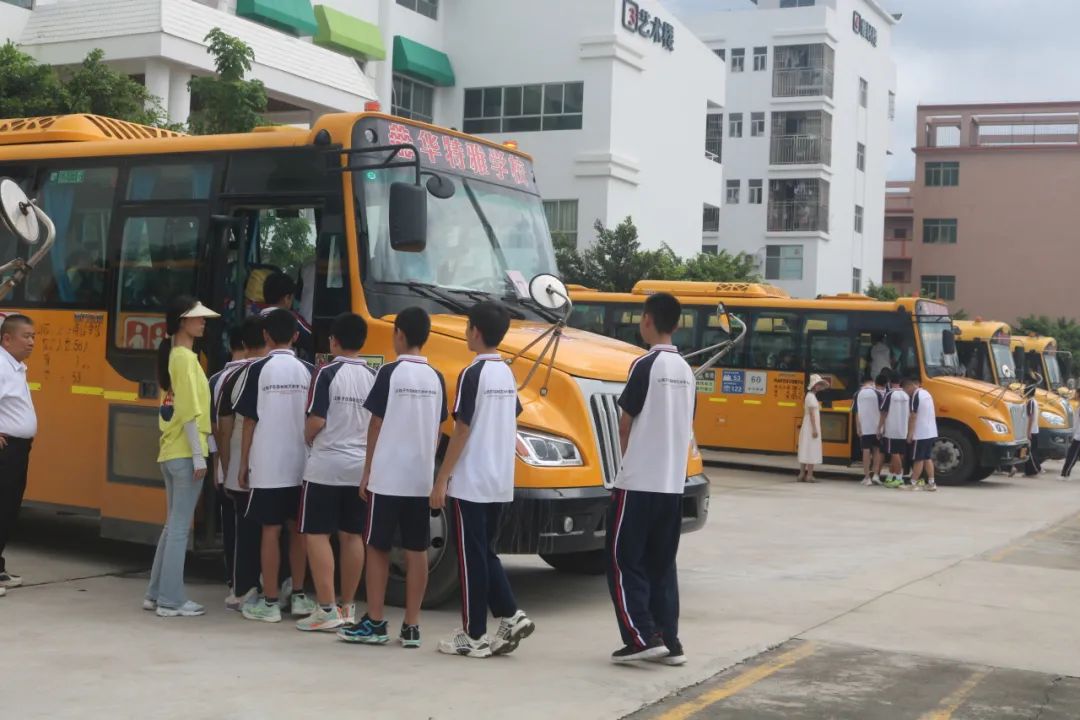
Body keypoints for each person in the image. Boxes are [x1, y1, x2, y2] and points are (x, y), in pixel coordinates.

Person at [338, 307, 447, 648]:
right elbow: (439, 427)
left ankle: (375, 622)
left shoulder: (389, 373)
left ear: (399, 333)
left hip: (387, 478)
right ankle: (412, 626)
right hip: (419, 479)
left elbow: (375, 423)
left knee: (378, 548)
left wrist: (367, 471)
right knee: (417, 551)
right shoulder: (437, 378)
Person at [432, 302, 535, 659]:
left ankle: (473, 634)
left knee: (470, 558)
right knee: (484, 552)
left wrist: (442, 478)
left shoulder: (471, 374)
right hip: (499, 479)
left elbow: (462, 429)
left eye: (467, 327)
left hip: (471, 479)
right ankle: (510, 614)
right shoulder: (506, 373)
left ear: (475, 331)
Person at [605, 292, 695, 666]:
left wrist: (628, 463)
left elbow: (625, 423)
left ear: (646, 320)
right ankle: (668, 639)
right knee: (662, 564)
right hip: (672, 484)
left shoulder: (645, 365)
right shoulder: (687, 372)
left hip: (639, 481)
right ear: (675, 326)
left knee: (622, 559)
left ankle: (641, 636)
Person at [233, 308, 317, 622]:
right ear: (296, 336)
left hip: (268, 463)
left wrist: (243, 463)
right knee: (298, 530)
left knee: (269, 530)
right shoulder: (310, 370)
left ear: (266, 336)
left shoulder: (256, 370)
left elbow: (250, 422)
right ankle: (296, 595)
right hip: (301, 464)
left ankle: (269, 602)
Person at [296, 313, 377, 632]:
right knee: (352, 535)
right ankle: (347, 606)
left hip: (326, 465)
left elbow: (317, 420)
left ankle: (326, 607)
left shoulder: (326, 373)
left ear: (334, 341)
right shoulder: (373, 376)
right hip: (360, 467)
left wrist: (305, 435)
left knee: (316, 533)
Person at [144, 297, 219, 617]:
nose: (203, 322)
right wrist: (201, 455)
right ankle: (171, 600)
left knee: (171, 526)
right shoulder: (186, 359)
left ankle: (156, 593)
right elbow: (191, 411)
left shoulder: (176, 356)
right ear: (182, 323)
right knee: (178, 529)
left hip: (172, 452)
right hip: (186, 453)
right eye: (197, 318)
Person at [212, 316, 266, 610]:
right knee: (268, 529)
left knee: (239, 527)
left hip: (238, 467)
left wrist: (224, 464)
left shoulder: (228, 378)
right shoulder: (298, 372)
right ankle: (271, 585)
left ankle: (241, 586)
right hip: (274, 468)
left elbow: (221, 425)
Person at [208, 325, 247, 605]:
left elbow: (211, 429)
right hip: (238, 466)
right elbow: (218, 426)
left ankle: (235, 582)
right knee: (240, 526)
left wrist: (216, 466)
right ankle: (239, 584)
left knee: (232, 526)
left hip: (225, 467)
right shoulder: (239, 377)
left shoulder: (215, 379)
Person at [0, 314, 37, 597]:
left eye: (34, 336)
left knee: (9, 508)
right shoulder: (1, 364)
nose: (32, 342)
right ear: (7, 338)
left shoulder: (16, 366)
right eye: (26, 336)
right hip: (6, 448)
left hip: (18, 448)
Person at [260, 271, 313, 360]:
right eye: (291, 298)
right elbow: (311, 340)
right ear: (286, 298)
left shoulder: (255, 320)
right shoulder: (290, 320)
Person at [903, 377, 938, 492]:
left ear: (909, 386)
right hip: (931, 432)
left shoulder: (915, 396)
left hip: (920, 433)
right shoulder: (926, 393)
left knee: (918, 459)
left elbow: (913, 416)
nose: (906, 393)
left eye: (905, 390)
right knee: (927, 458)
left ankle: (913, 483)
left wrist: (910, 434)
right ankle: (932, 483)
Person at [877, 373, 909, 489]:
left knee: (893, 454)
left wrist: (879, 427)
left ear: (890, 383)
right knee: (898, 454)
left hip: (891, 429)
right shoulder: (906, 395)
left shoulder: (890, 394)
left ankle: (899, 478)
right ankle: (891, 476)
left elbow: (883, 412)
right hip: (903, 429)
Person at [854, 374, 886, 486]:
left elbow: (856, 412)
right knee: (877, 450)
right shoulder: (877, 393)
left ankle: (867, 477)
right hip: (877, 427)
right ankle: (876, 475)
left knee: (866, 451)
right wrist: (881, 427)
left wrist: (858, 427)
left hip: (865, 427)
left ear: (862, 383)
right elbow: (883, 411)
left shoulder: (858, 394)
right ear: (871, 382)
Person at [797, 375, 829, 483]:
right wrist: (815, 429)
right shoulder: (811, 397)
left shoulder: (810, 396)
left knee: (806, 447)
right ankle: (809, 475)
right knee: (811, 448)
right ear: (814, 386)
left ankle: (802, 474)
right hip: (811, 426)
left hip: (808, 425)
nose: (820, 386)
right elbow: (811, 414)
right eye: (818, 384)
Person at [1022, 385, 1042, 478]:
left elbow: (1030, 417)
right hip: (1034, 430)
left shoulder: (1030, 402)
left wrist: (1028, 431)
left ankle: (1034, 470)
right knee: (1032, 451)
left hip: (1031, 430)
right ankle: (1030, 471)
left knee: (1030, 452)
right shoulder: (1034, 401)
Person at [1061, 402, 1080, 479]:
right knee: (1072, 455)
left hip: (1078, 437)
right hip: (1077, 435)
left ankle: (1065, 474)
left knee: (1072, 455)